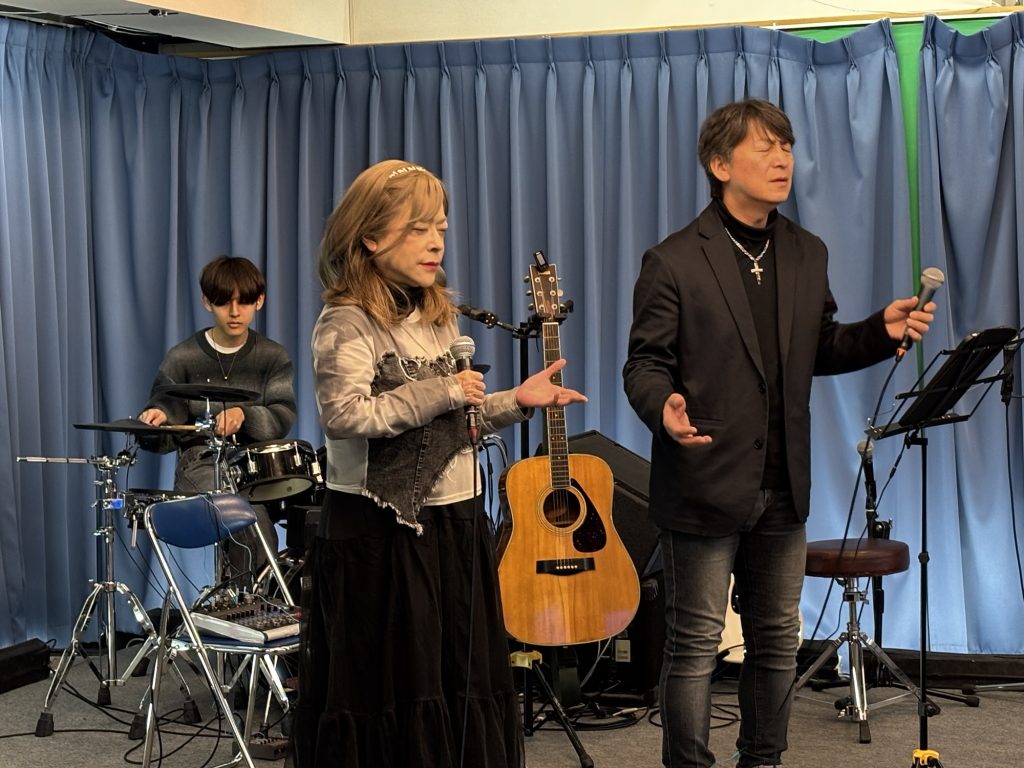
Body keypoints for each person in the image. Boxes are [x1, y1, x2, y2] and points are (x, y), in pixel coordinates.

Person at [621, 99, 936, 768]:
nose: (781, 159)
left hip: (784, 486)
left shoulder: (805, 251)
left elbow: (818, 347)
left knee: (776, 642)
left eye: (786, 146)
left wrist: (877, 331)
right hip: (703, 481)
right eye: (764, 147)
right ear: (720, 165)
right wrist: (662, 408)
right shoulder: (673, 260)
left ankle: (762, 759)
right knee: (695, 645)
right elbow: (644, 363)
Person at [293, 159, 586, 768]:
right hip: (380, 534)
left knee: (458, 680)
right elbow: (344, 415)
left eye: (442, 229)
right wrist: (447, 389)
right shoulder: (345, 320)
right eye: (418, 228)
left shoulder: (437, 317)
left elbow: (454, 424)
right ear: (370, 238)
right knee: (394, 690)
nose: (436, 243)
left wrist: (515, 401)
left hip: (454, 524)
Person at [139, 255, 297, 579]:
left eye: (244, 302)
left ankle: (256, 600)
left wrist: (245, 415)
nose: (235, 312)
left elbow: (283, 415)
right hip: (200, 465)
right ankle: (244, 602)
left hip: (255, 472)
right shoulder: (183, 357)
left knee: (293, 519)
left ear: (260, 301)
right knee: (246, 518)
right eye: (224, 302)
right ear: (207, 301)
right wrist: (157, 418)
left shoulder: (273, 356)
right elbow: (165, 417)